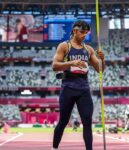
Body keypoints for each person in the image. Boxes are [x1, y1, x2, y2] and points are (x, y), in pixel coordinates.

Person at [51, 20, 105, 150]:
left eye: (86, 33)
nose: (84, 35)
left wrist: (102, 59)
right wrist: (72, 63)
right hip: (68, 88)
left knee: (87, 122)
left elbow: (100, 70)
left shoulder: (88, 49)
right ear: (75, 31)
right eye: (82, 32)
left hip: (83, 90)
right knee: (63, 122)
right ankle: (54, 148)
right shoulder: (65, 46)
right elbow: (54, 66)